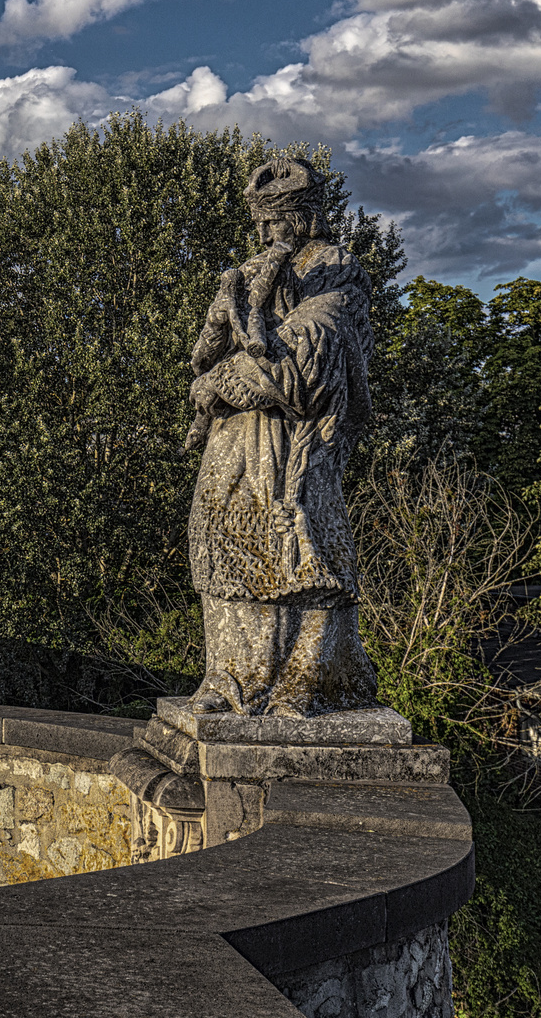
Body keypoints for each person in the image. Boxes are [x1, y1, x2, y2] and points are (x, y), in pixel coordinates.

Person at [183, 157, 378, 718]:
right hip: (236, 445)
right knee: (224, 547)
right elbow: (208, 353)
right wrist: (222, 334)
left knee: (304, 557)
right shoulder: (252, 275)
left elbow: (300, 364)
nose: (269, 236)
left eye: (281, 221)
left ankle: (307, 680)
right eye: (264, 225)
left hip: (296, 444)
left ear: (308, 216)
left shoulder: (336, 278)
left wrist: (218, 383)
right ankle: (229, 677)